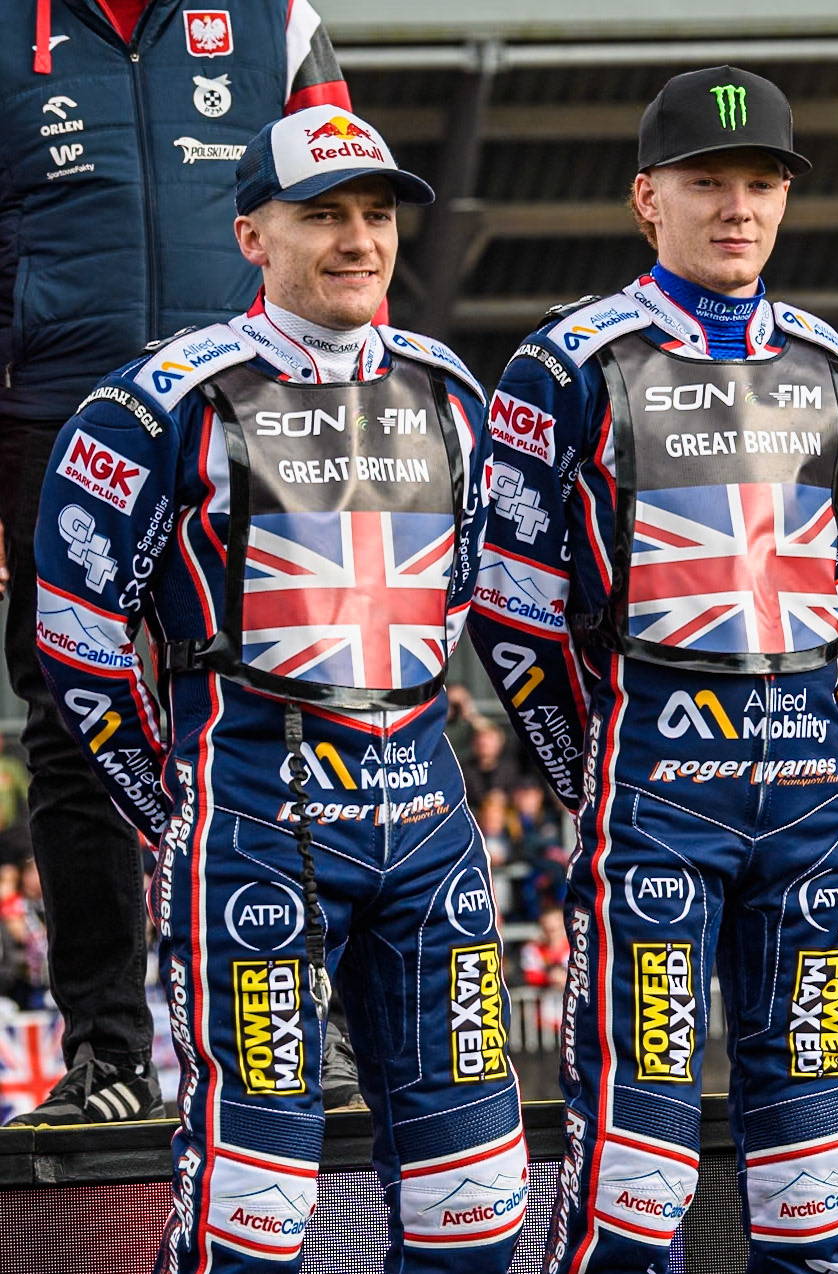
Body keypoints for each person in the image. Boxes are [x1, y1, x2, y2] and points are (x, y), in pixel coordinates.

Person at [35, 106, 529, 1268]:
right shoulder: (161, 400)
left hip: (424, 823)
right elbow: (75, 635)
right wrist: (174, 805)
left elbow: (458, 594)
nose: (359, 239)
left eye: (375, 213)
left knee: (478, 1202)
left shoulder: (450, 389)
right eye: (323, 215)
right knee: (251, 1215)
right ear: (253, 235)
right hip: (254, 825)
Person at [468, 66, 838, 1274]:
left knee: (814, 1117)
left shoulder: (829, 362)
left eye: (761, 184)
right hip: (652, 781)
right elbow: (511, 610)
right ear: (649, 197)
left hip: (804, 789)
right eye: (708, 183)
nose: (737, 208)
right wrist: (595, 767)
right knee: (638, 1122)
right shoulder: (566, 360)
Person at [2, 0, 353, 1127]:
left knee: (299, 697)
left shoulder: (275, 18)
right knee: (69, 726)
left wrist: (353, 395)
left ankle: (314, 1027)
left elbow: (346, 206)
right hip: (48, 417)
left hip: (255, 405)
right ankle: (108, 1056)